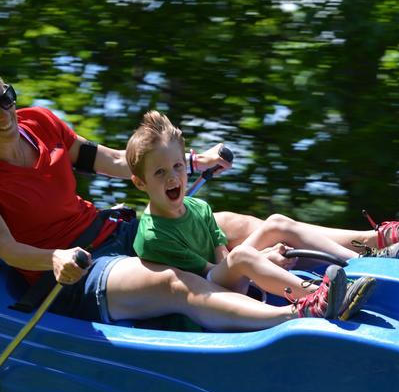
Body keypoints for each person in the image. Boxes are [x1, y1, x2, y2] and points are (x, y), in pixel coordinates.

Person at [0, 47, 399, 330]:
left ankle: (376, 242)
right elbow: (7, 250)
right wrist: (57, 258)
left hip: (110, 228)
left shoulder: (40, 123)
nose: (6, 113)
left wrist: (189, 163)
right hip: (70, 271)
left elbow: (116, 161)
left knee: (239, 224)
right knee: (175, 281)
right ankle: (301, 313)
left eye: (7, 96)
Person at [125, 110, 378, 320]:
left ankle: (365, 259)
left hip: (220, 275)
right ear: (140, 182)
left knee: (276, 223)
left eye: (178, 166)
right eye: (159, 172)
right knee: (244, 256)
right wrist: (262, 258)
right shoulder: (152, 236)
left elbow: (221, 253)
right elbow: (205, 275)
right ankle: (324, 296)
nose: (172, 177)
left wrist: (256, 260)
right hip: (207, 296)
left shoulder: (198, 208)